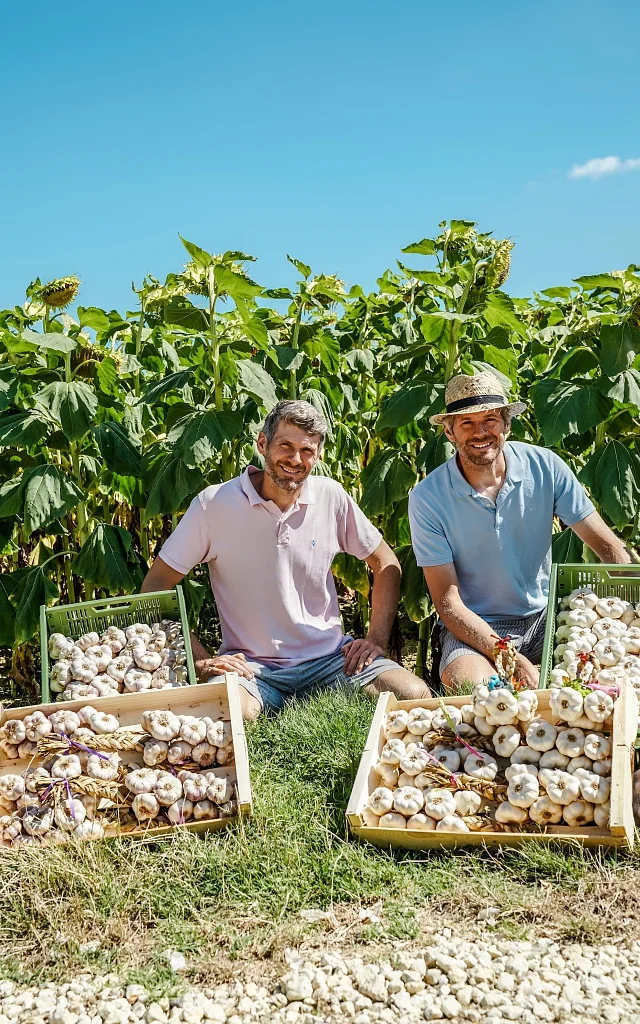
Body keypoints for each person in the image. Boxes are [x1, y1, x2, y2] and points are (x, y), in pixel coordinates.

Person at [141, 399, 430, 718]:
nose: (295, 459)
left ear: (318, 456)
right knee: (232, 714)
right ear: (262, 444)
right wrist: (199, 659)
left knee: (411, 695)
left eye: (307, 451)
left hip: (332, 661)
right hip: (253, 669)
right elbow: (155, 585)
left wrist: (375, 639)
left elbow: (386, 563)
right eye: (285, 446)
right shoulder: (214, 505)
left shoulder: (330, 497)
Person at [408, 372, 631, 692]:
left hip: (545, 617)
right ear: (448, 431)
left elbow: (609, 548)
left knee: (610, 668)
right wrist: (508, 655)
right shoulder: (428, 498)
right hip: (474, 627)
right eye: (466, 423)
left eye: (490, 419)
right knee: (472, 686)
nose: (480, 432)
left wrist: (629, 617)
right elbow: (448, 603)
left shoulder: (546, 467)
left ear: (506, 423)